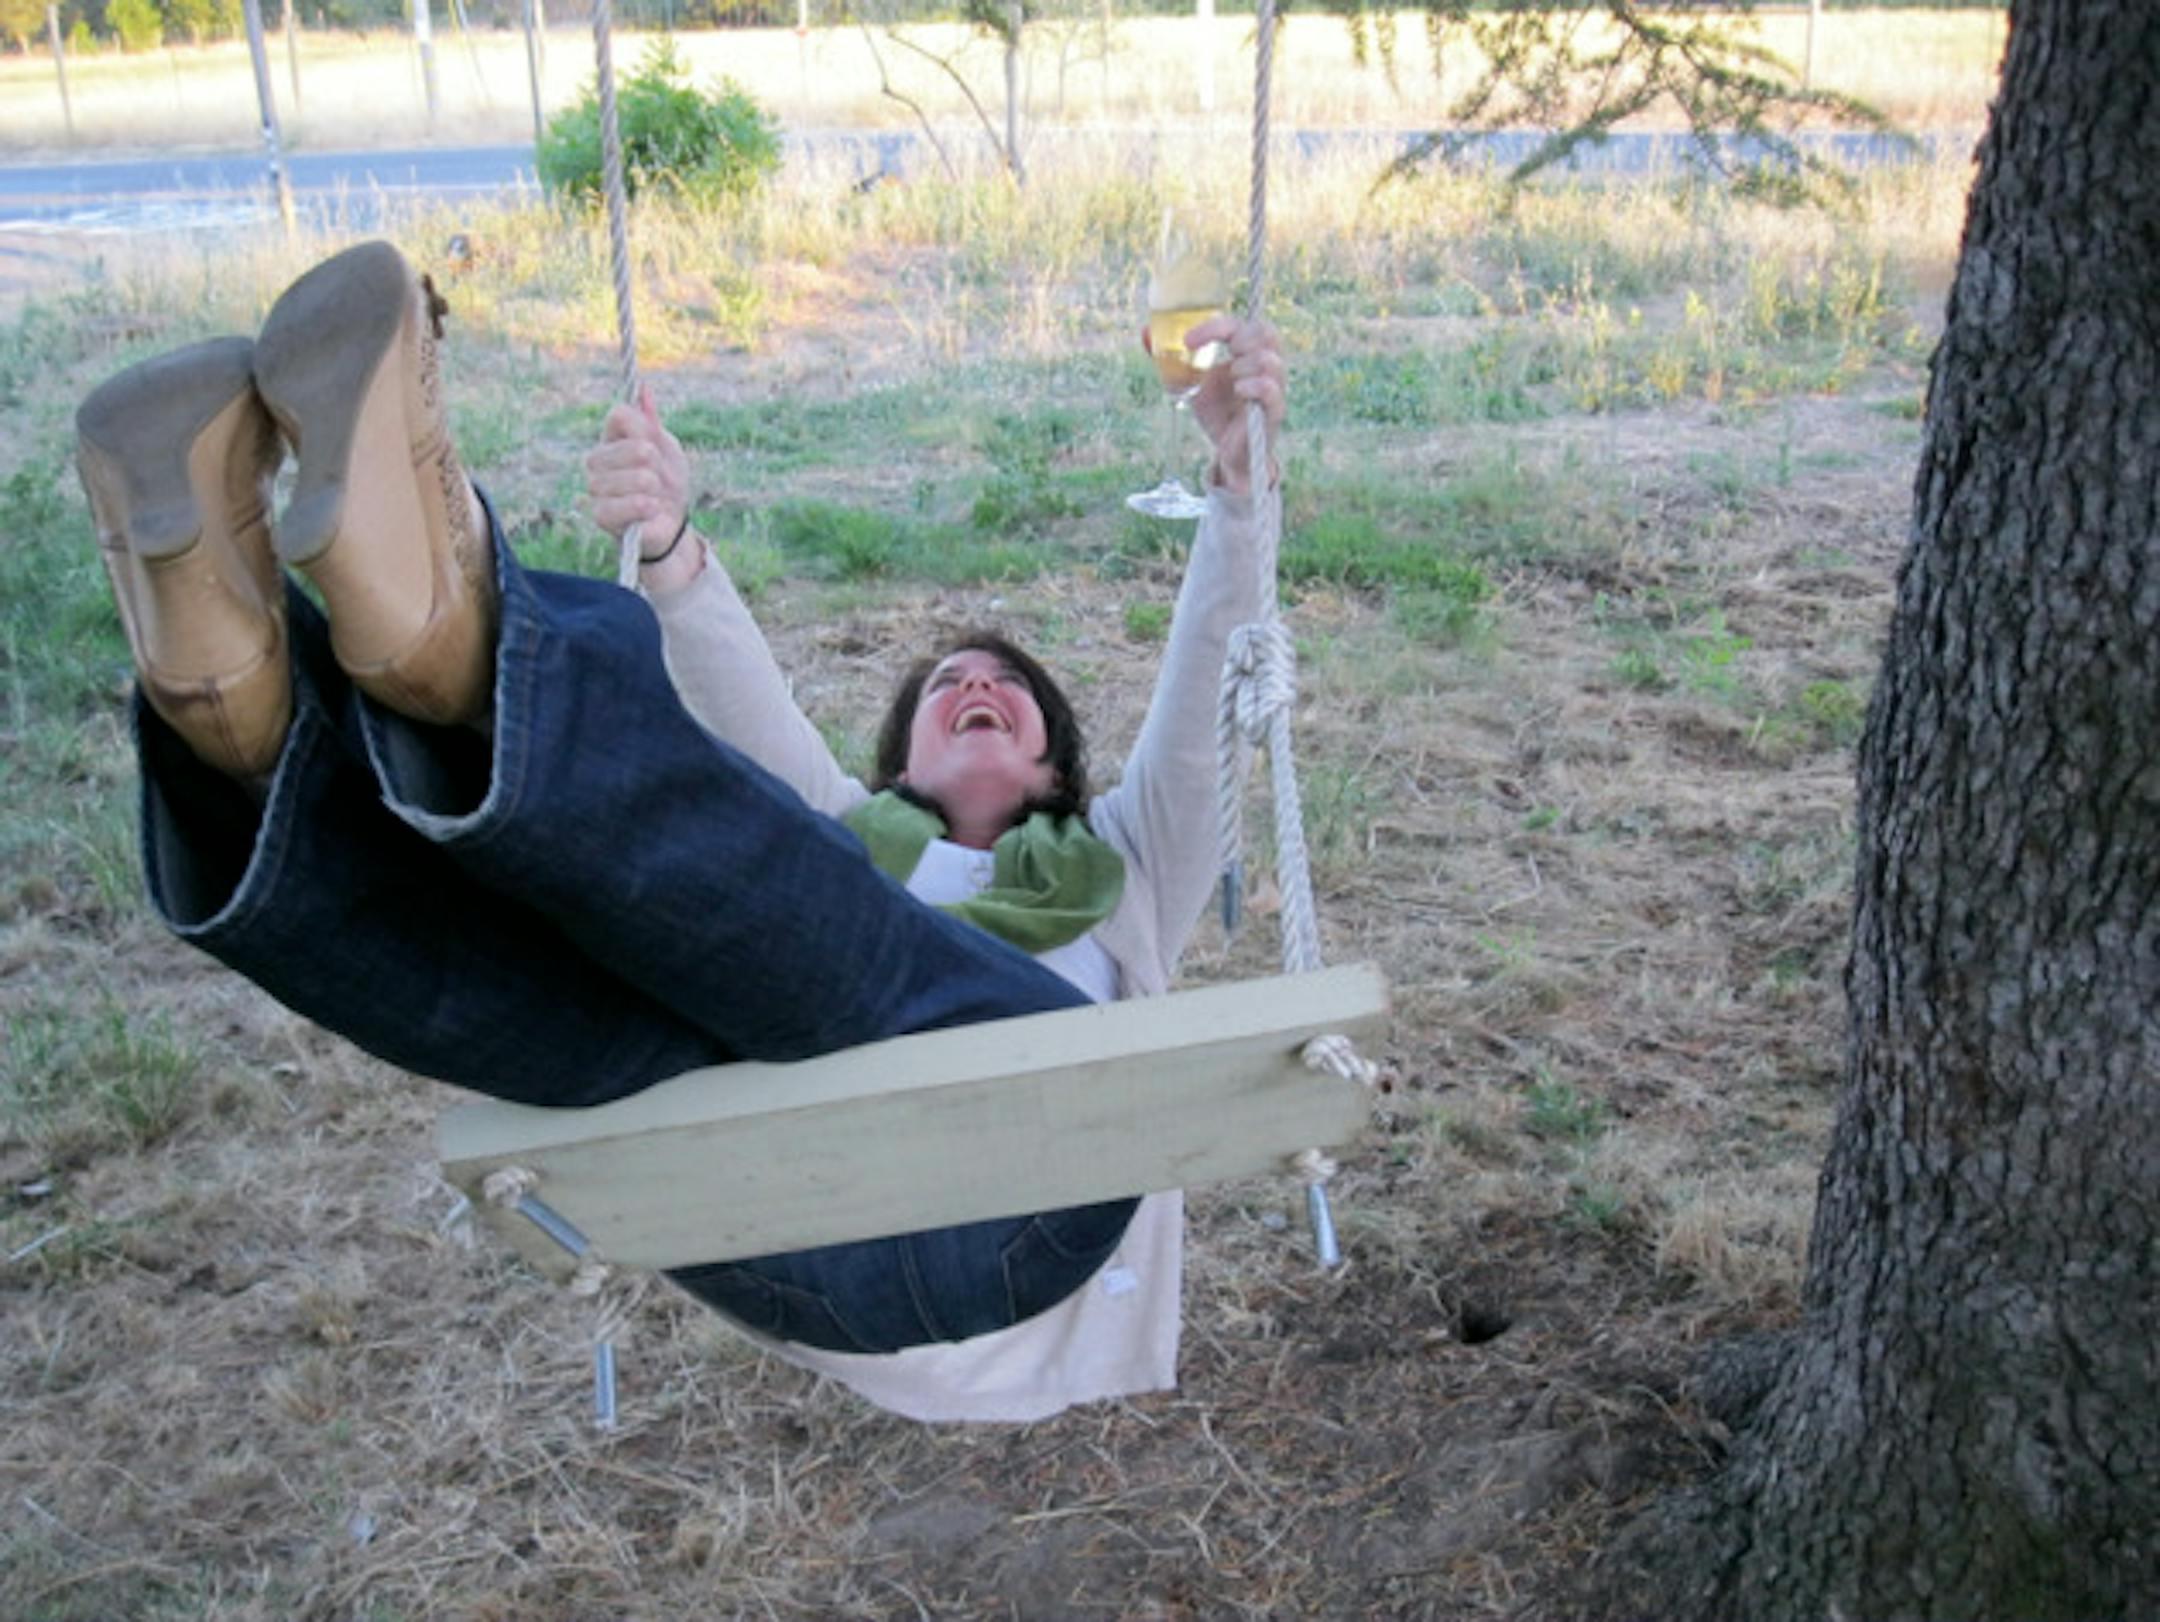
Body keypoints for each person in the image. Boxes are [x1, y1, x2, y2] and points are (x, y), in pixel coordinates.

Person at [76, 240, 1287, 1423]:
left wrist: (1240, 487)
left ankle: (451, 653)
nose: (975, 682)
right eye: (945, 686)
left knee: (820, 915)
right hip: (776, 1224)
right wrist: (663, 544)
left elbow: (1198, 709)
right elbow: (742, 724)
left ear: (1059, 767)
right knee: (576, 1017)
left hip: (1023, 1230)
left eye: (1006, 690)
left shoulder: (1125, 872)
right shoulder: (846, 839)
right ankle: (233, 692)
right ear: (897, 767)